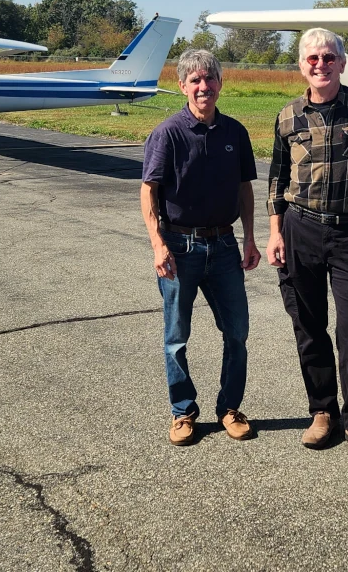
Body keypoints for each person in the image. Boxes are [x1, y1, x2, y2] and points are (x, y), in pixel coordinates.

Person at [266, 28, 348, 457]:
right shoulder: (287, 116)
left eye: (329, 57)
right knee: (308, 325)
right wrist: (275, 231)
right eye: (312, 58)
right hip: (301, 228)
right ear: (302, 65)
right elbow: (277, 178)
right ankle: (322, 412)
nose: (321, 65)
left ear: (342, 62)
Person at [141, 49, 261, 446]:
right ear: (182, 86)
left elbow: (245, 188)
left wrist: (249, 238)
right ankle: (183, 411)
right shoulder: (168, 133)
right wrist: (159, 244)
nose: (203, 87)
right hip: (179, 245)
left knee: (238, 331)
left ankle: (229, 407)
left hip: (224, 245)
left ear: (220, 84)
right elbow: (149, 190)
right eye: (194, 80)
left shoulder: (234, 133)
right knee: (176, 335)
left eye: (209, 79)